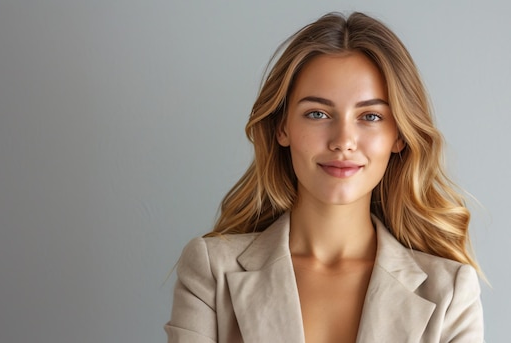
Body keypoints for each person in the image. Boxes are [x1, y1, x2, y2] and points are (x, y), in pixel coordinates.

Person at [165, 11, 484, 343]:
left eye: (370, 116)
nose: (343, 140)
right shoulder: (212, 271)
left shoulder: (450, 290)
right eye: (317, 113)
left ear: (399, 136)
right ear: (282, 127)